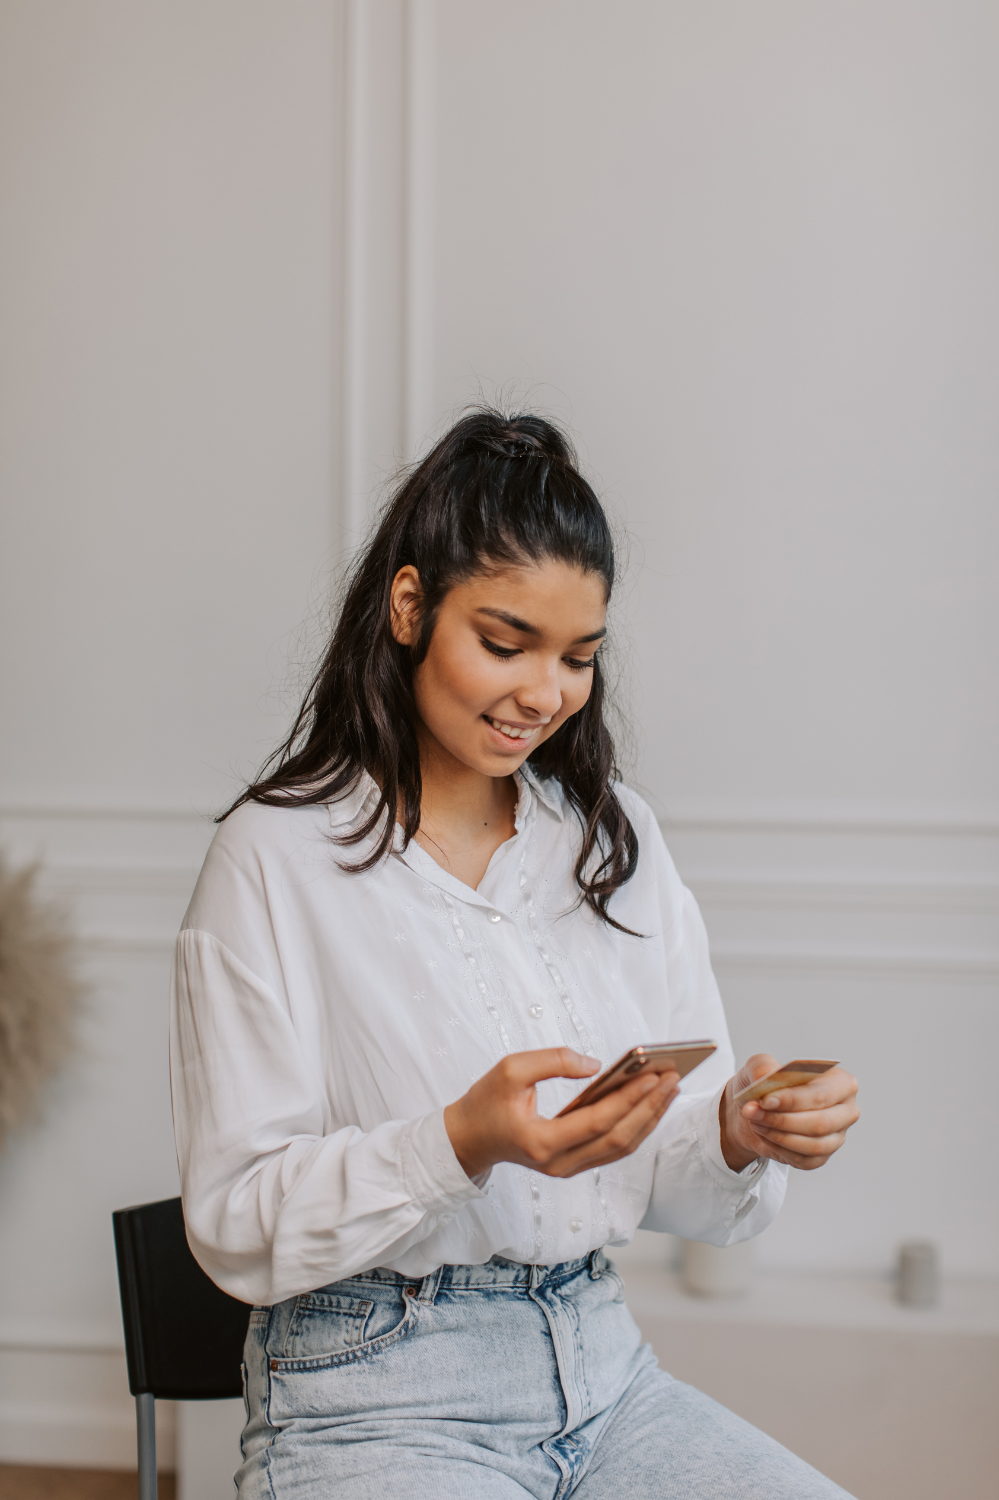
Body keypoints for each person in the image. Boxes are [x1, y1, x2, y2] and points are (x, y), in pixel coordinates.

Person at [170, 410, 860, 1498]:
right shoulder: (273, 856)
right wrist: (455, 1143)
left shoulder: (609, 839)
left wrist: (733, 1131)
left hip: (604, 1371)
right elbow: (234, 1219)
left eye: (578, 657)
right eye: (506, 644)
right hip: (373, 1401)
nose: (545, 693)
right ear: (409, 607)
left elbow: (665, 1174)